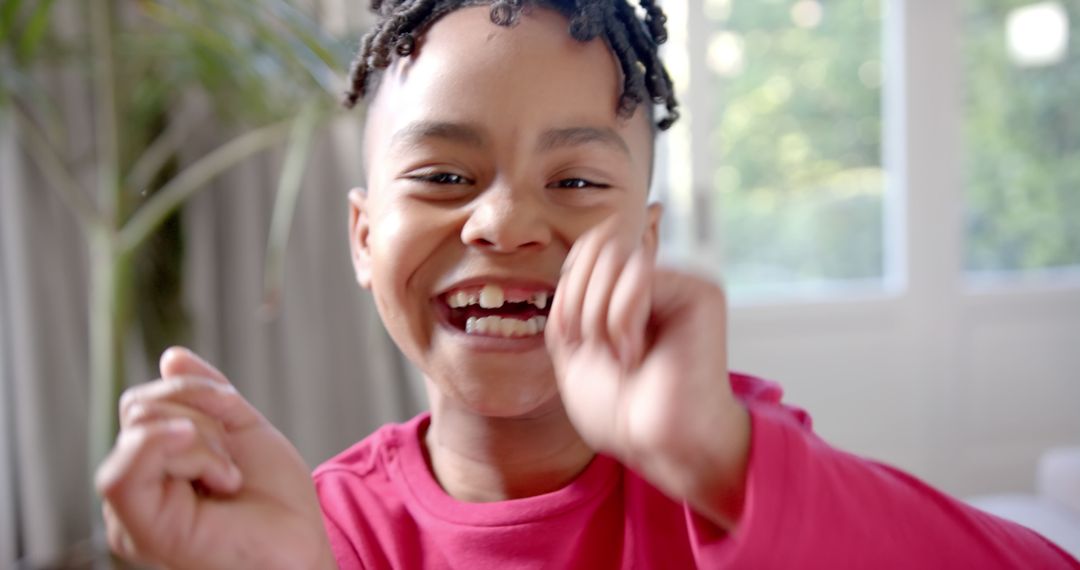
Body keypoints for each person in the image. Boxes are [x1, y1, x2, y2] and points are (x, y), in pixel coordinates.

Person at [95, 1, 1080, 568]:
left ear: (643, 243)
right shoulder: (313, 533)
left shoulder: (728, 469)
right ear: (363, 237)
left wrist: (720, 463)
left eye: (573, 181)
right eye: (443, 176)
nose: (506, 222)